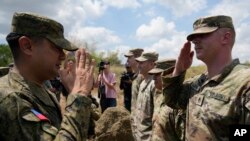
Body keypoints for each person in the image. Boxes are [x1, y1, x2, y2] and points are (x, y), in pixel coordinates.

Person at [0, 12, 95, 141]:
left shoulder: (41, 88)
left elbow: (86, 133)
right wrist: (79, 97)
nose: (63, 56)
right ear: (27, 46)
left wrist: (76, 94)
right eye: (56, 47)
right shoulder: (11, 98)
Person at [162, 15, 250, 140]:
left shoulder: (245, 83)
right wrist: (179, 70)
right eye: (194, 37)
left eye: (203, 35)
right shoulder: (197, 82)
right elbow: (172, 101)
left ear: (226, 37)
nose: (195, 41)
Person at [149, 59, 186, 141]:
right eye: (153, 75)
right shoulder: (158, 96)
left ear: (170, 74)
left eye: (157, 74)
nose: (153, 78)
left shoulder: (179, 101)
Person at [132, 52, 158, 141]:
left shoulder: (155, 84)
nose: (138, 65)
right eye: (138, 62)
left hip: (149, 136)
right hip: (139, 134)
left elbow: (157, 116)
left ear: (152, 64)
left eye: (142, 63)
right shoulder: (143, 83)